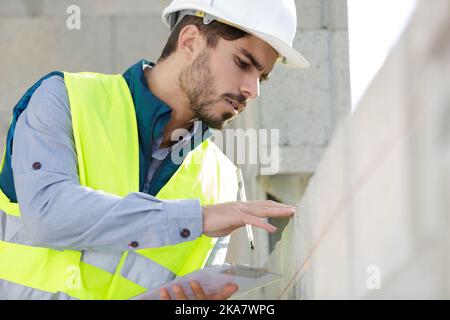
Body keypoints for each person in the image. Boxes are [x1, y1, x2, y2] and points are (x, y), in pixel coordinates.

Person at [0, 0, 309, 300]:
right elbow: (48, 214)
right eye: (243, 63)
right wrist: (195, 219)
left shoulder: (222, 183)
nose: (252, 91)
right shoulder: (64, 98)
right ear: (190, 41)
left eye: (262, 77)